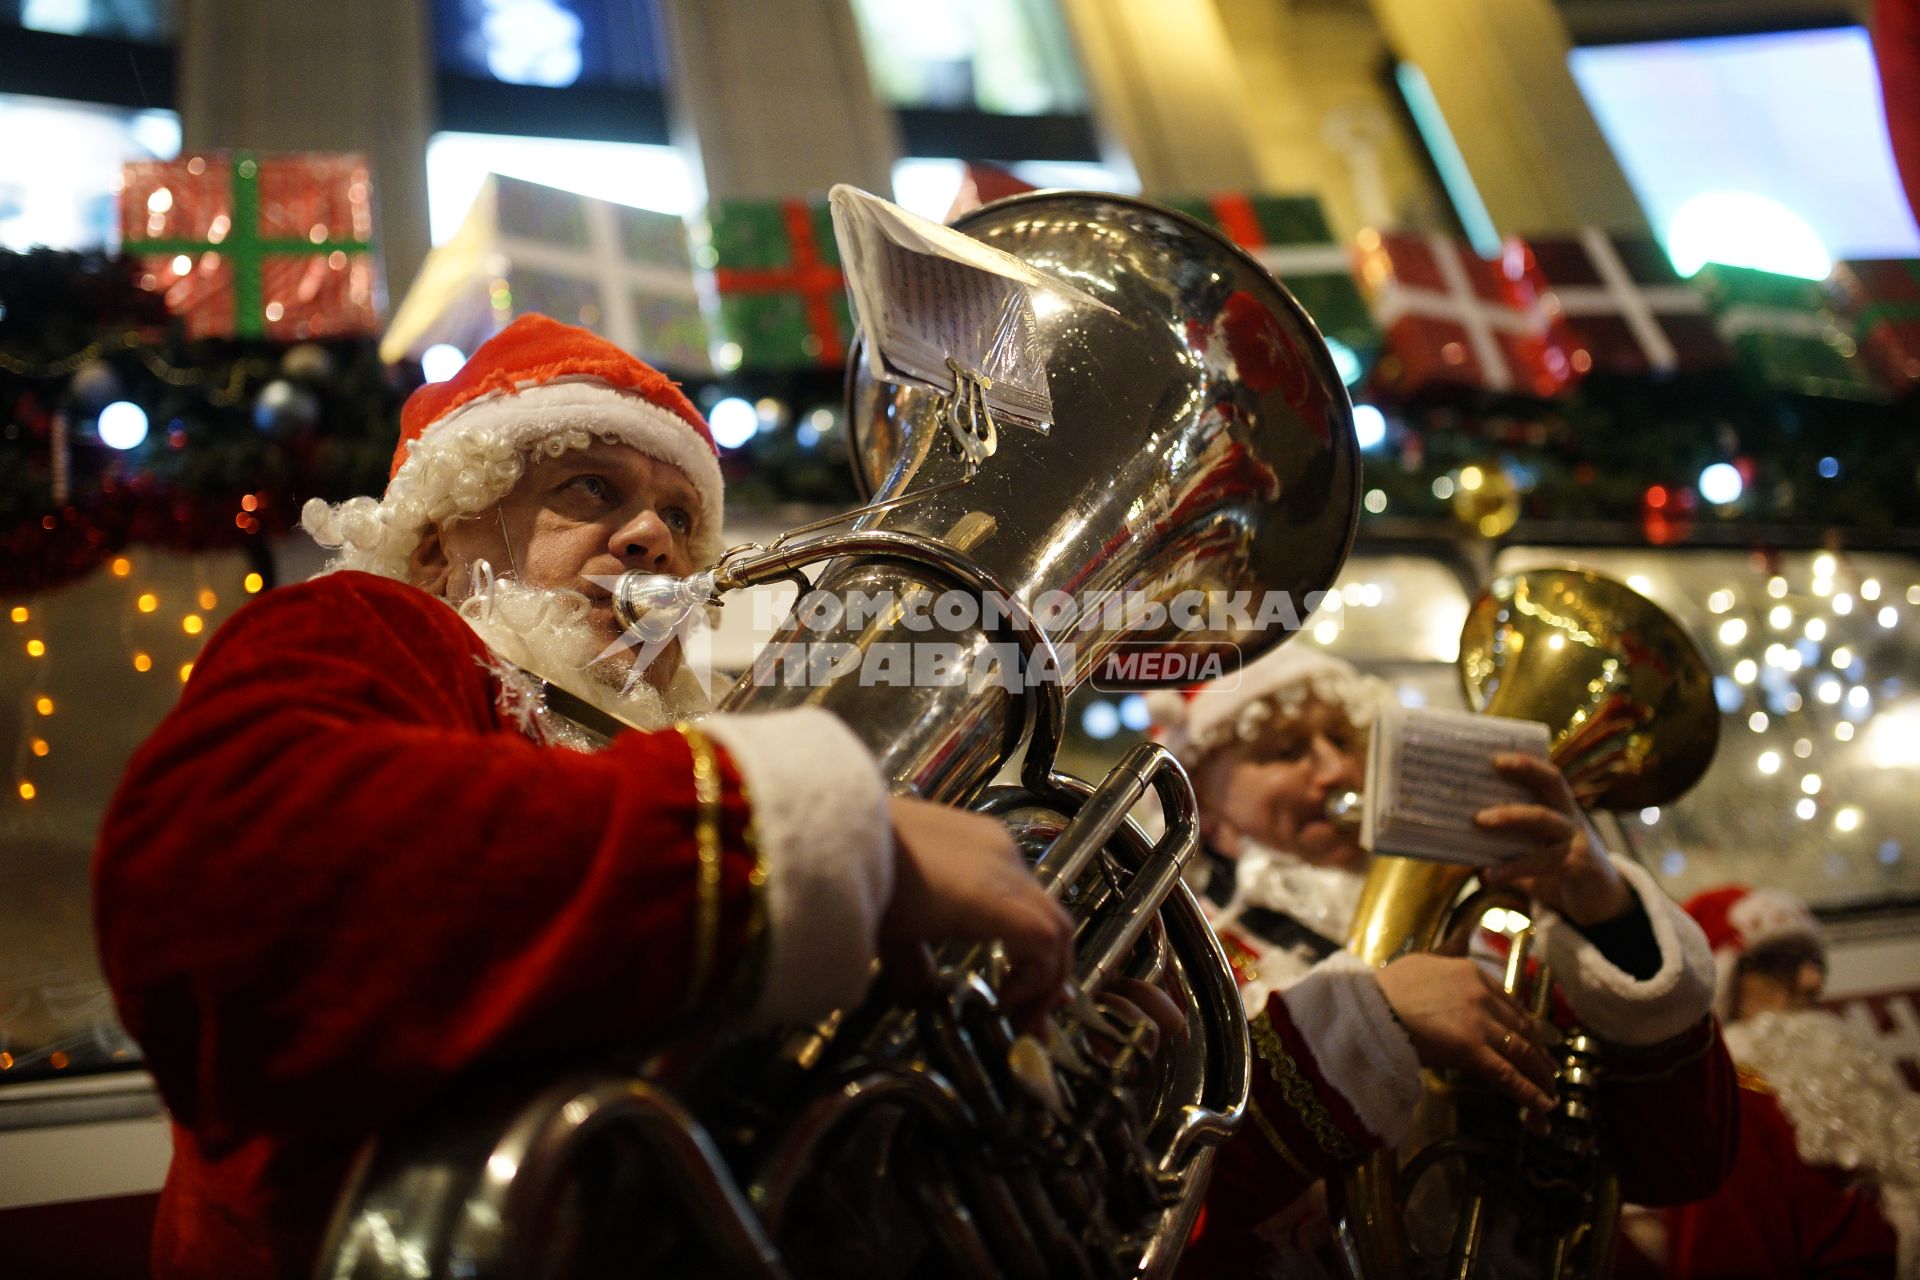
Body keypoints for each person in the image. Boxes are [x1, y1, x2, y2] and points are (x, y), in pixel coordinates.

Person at [91, 315, 1075, 1279]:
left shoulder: (683, 750)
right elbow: (222, 880)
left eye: (683, 517)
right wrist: (821, 838)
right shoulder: (376, 626)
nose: (653, 537)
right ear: (439, 547)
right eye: (588, 487)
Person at [1148, 647, 1738, 1275]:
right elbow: (1162, 1212)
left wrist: (1608, 919)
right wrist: (1363, 1026)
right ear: (1203, 804)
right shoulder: (1183, 968)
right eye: (1286, 751)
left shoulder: (1501, 939)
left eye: (1347, 741)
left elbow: (1688, 1161)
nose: (1336, 771)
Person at [1621, 884, 1914, 1278]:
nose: (1812, 982)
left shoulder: (1837, 1098)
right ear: (1723, 981)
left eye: (1815, 961)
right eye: (1781, 963)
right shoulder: (1731, 1115)